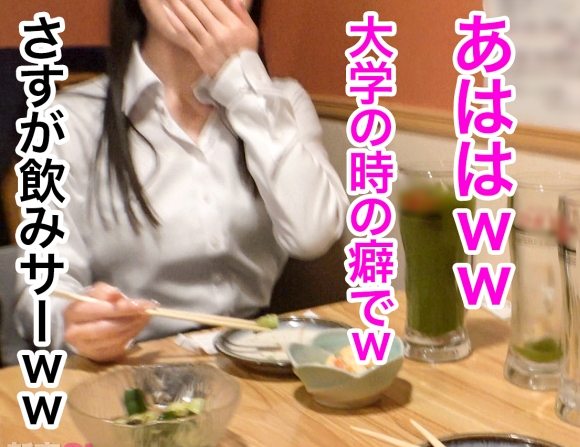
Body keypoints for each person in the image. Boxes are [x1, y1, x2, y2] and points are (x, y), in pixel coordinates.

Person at [12, 0, 348, 363]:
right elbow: (40, 290)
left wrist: (242, 83)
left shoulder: (282, 102)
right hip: (132, 363)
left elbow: (313, 235)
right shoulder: (68, 120)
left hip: (253, 356)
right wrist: (76, 322)